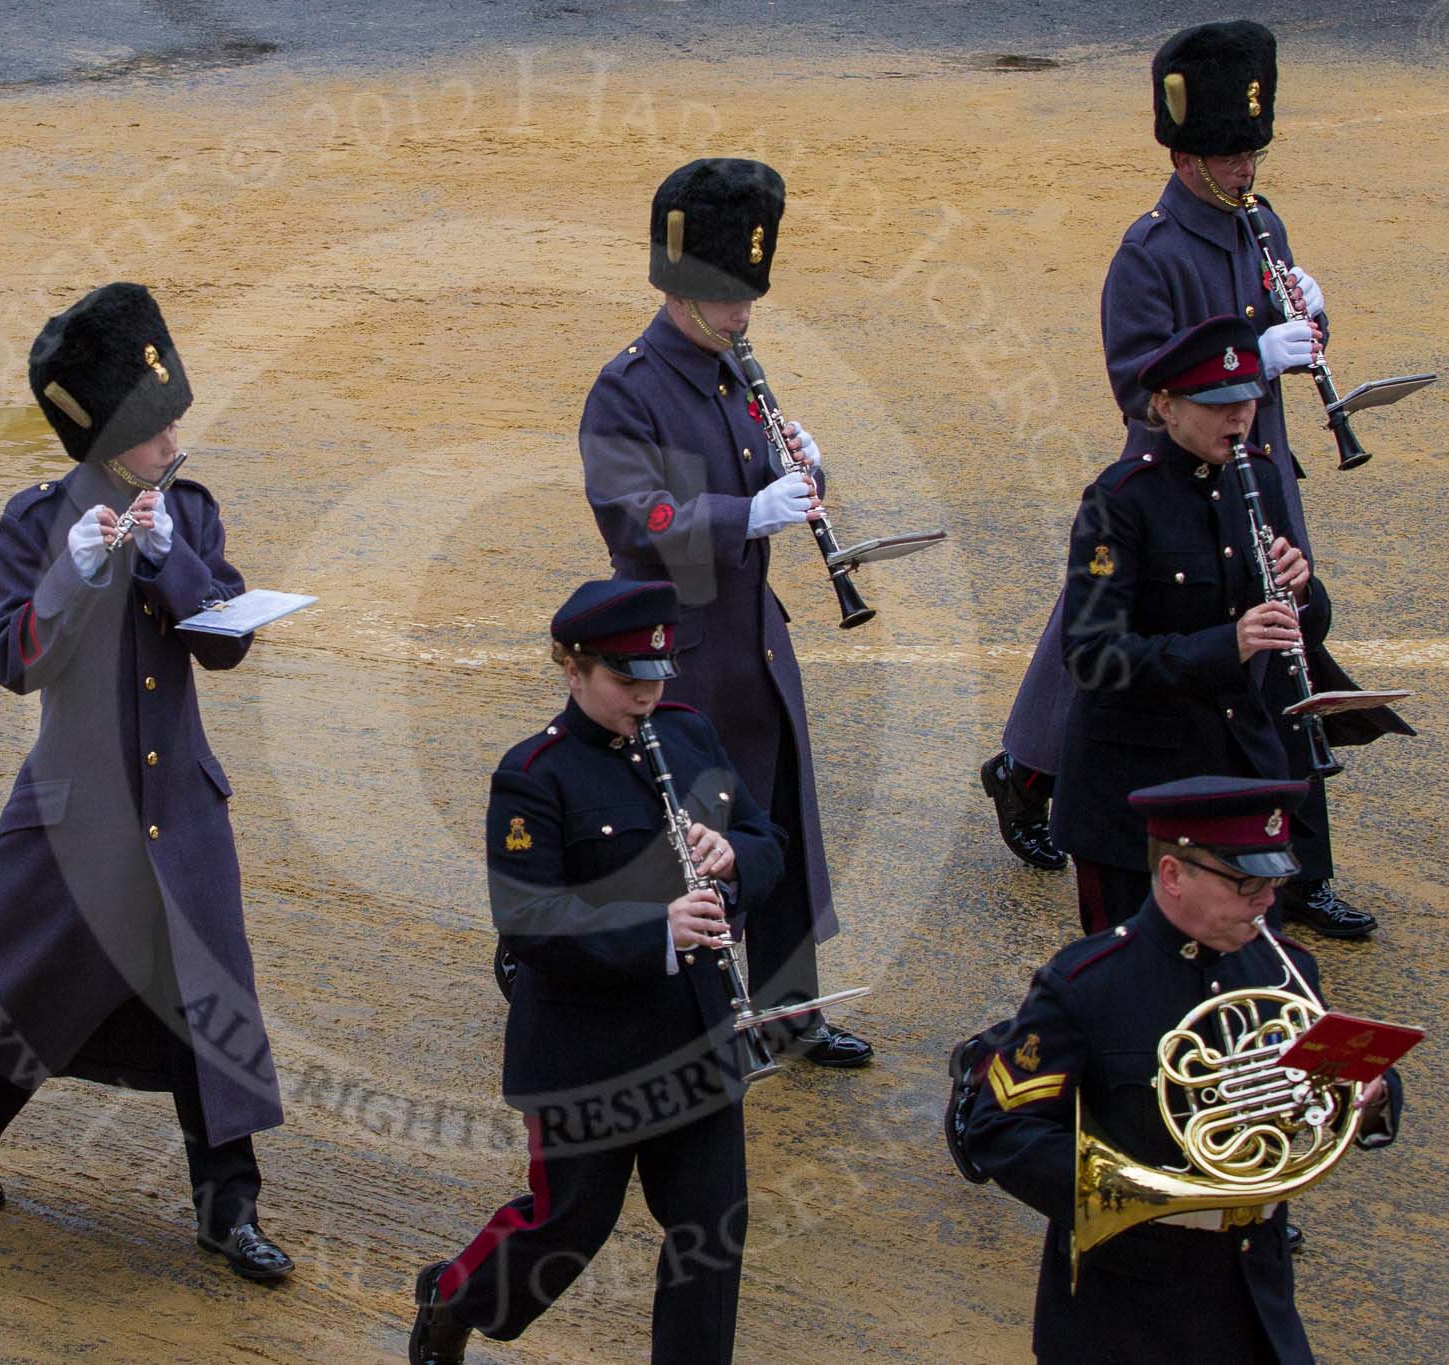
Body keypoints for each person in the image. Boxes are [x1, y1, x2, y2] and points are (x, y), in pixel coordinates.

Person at [0, 282, 293, 1282]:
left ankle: (228, 1209)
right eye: (157, 427)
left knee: (207, 1002)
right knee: (31, 992)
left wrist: (173, 564)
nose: (175, 439)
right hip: (75, 813)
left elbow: (222, 647)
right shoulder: (37, 522)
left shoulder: (190, 510)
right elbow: (10, 660)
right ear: (111, 438)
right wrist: (69, 577)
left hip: (180, 809)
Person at [985, 21, 1390, 938]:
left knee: (1280, 641)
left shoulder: (1262, 220)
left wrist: (1304, 321)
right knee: (1134, 631)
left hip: (1258, 464)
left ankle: (1300, 864)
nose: (1243, 170)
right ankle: (1032, 766)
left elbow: (1267, 304)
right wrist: (1256, 352)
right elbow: (1135, 382)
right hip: (1174, 467)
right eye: (1226, 154)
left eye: (1250, 152)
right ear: (1183, 152)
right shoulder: (1152, 250)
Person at [409, 579, 787, 1365]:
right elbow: (530, 923)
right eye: (626, 681)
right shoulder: (534, 775)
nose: (646, 697)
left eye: (655, 678)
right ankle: (457, 1294)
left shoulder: (686, 735)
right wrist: (659, 927)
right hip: (589, 1053)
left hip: (696, 1035)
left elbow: (763, 837)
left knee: (712, 1231)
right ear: (572, 670)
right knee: (569, 1224)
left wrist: (734, 860)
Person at [576, 156, 871, 1068]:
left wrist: (800, 472)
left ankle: (791, 1009)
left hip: (752, 641)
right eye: (728, 296)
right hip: (683, 652)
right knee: (694, 841)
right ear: (680, 287)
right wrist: (753, 510)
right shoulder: (627, 388)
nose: (744, 314)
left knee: (772, 823)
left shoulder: (733, 369)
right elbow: (638, 519)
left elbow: (761, 478)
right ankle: (699, 1022)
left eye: (749, 295)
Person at [957, 775, 1403, 1364]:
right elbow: (999, 1128)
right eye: (1247, 882)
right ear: (1173, 875)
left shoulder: (1284, 969)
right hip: (1126, 1312)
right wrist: (1128, 1194)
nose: (1267, 899)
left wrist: (1368, 1095)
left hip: (1256, 1297)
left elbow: (1332, 1079)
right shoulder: (1086, 984)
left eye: (1275, 880)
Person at [1047, 315, 1402, 933]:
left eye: (1247, 401)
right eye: (1217, 404)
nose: (1238, 418)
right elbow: (1091, 655)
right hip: (1135, 793)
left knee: (1237, 972)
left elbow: (1303, 624)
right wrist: (1227, 645)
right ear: (1165, 406)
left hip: (1233, 777)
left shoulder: (1259, 476)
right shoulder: (1120, 501)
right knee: (1136, 986)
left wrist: (1304, 591)